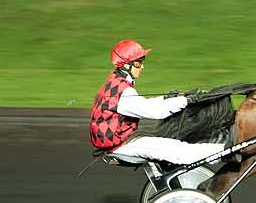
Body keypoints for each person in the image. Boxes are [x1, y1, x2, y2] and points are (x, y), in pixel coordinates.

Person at [89, 39, 225, 165]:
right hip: (122, 145)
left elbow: (143, 105)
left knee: (174, 145)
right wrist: (185, 101)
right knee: (178, 150)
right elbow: (155, 111)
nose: (142, 67)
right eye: (138, 63)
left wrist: (168, 98)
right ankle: (224, 151)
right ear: (124, 65)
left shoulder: (115, 82)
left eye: (142, 62)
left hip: (122, 140)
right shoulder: (124, 92)